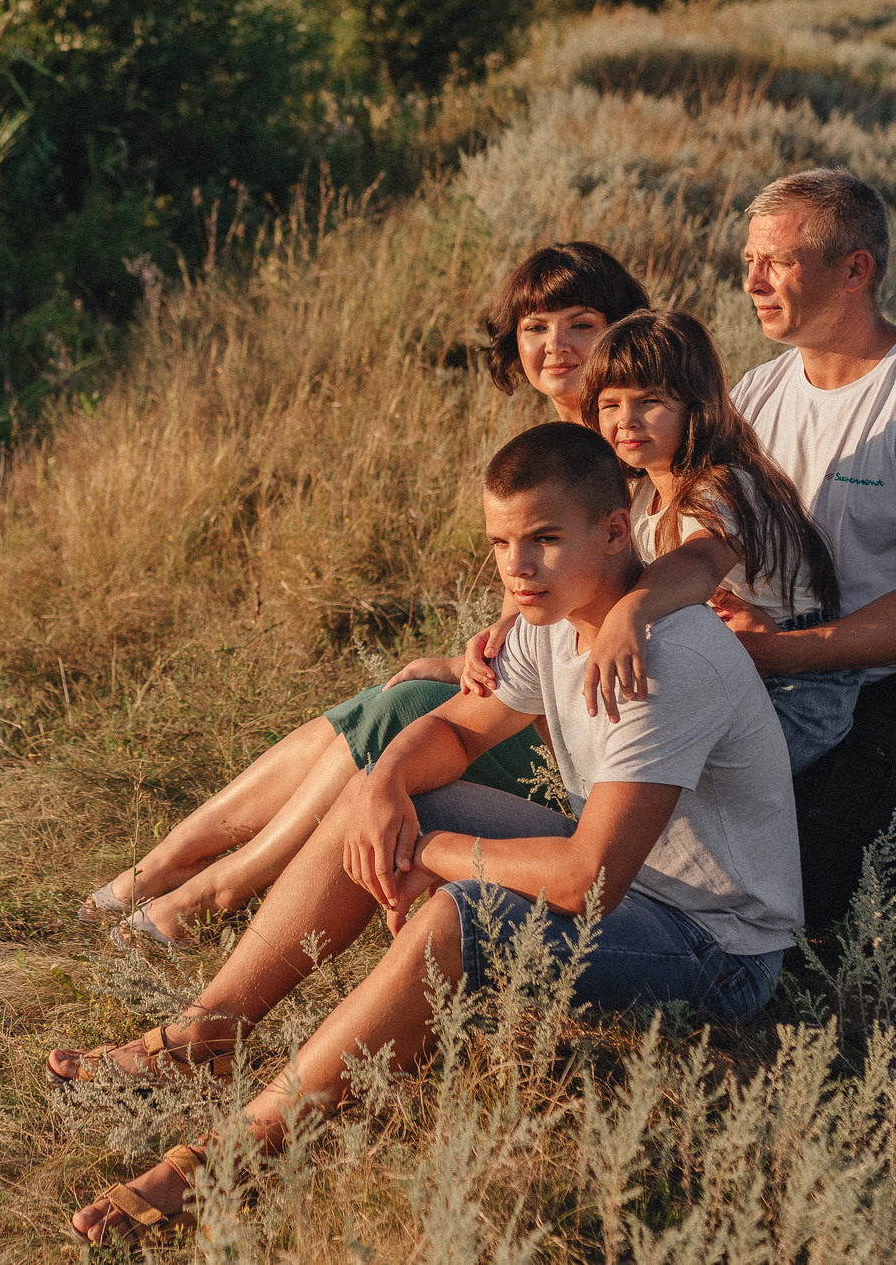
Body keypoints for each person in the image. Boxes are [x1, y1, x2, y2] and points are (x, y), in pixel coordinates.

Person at [59, 422, 800, 1243]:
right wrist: (382, 785)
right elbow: (456, 732)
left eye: (546, 540)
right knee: (381, 799)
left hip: (712, 942)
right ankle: (211, 1029)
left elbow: (586, 881)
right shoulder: (552, 616)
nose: (518, 567)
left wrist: (436, 857)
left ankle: (230, 1154)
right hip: (625, 881)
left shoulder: (670, 659)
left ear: (615, 529)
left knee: (460, 914)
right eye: (502, 542)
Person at [79, 243, 651, 949]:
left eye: (580, 323)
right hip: (532, 693)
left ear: (621, 330)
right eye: (536, 327)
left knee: (401, 712)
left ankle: (218, 886)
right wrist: (459, 660)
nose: (555, 345)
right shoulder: (551, 444)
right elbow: (531, 618)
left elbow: (597, 610)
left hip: (590, 725)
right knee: (388, 698)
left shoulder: (631, 445)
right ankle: (171, 859)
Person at [717, 168, 896, 926]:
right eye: (748, 258)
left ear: (856, 268)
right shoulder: (754, 395)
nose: (753, 280)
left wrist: (782, 654)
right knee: (696, 842)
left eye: (777, 260)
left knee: (792, 888)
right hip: (782, 675)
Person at [576, 308, 861, 774]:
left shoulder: (721, 485)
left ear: (695, 406)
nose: (626, 420)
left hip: (797, 690)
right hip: (731, 669)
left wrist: (631, 610)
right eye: (610, 404)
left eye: (649, 401)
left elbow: (701, 560)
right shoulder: (642, 490)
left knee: (677, 780)